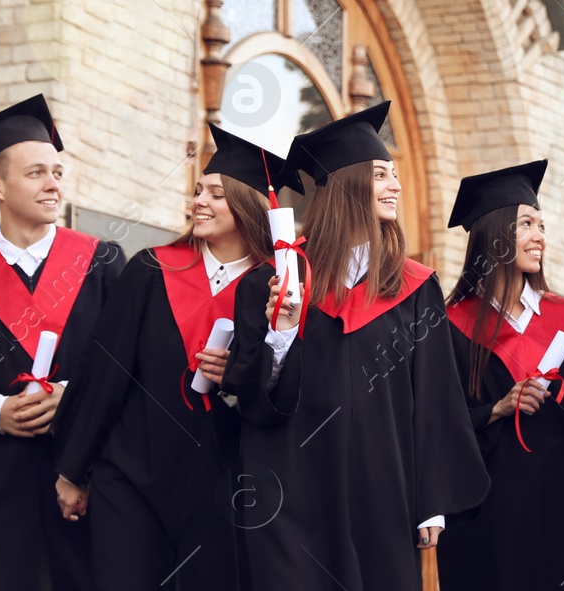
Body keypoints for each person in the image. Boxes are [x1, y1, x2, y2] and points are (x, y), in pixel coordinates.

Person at [220, 101, 490, 590]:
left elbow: (434, 399)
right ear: (347, 184)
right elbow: (252, 400)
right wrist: (281, 332)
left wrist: (431, 499)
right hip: (292, 485)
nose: (396, 186)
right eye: (382, 174)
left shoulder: (413, 287)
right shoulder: (274, 282)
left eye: (395, 175)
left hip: (382, 489)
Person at [51, 124, 280, 590]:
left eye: (215, 193)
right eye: (198, 190)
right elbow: (103, 375)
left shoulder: (275, 291)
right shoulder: (152, 270)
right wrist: (73, 470)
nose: (199, 201)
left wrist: (240, 375)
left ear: (248, 203)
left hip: (221, 487)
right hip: (131, 478)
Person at [0, 94, 123, 591]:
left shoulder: (103, 263)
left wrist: (71, 396)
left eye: (57, 172)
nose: (53, 184)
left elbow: (128, 367)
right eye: (35, 173)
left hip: (85, 480)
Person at [435, 160, 564, 591]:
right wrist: (496, 409)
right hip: (486, 513)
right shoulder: (449, 327)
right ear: (493, 238)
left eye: (542, 225)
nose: (540, 237)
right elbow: (438, 426)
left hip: (561, 506)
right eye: (527, 225)